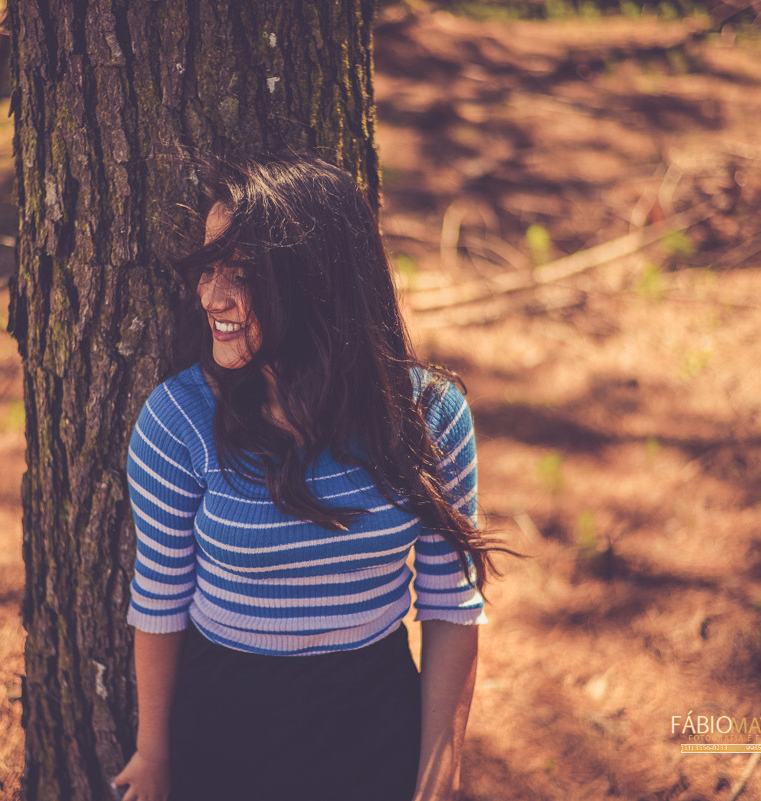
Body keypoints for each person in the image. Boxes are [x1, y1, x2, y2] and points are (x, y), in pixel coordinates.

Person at [111, 152, 518, 801]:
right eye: (207, 268)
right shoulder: (179, 420)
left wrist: (439, 779)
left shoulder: (429, 417)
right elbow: (159, 600)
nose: (212, 296)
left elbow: (450, 608)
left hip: (375, 723)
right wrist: (153, 753)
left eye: (241, 274)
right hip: (226, 733)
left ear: (314, 280)